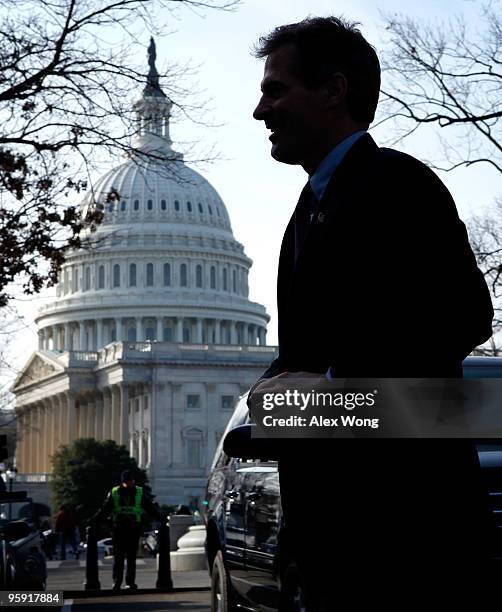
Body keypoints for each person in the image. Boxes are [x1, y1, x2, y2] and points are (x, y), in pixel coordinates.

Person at [249, 16, 494, 608]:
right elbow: (318, 348)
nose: (261, 111)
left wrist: (330, 392)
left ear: (334, 90)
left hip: (407, 533)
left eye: (276, 89)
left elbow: (463, 315)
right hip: (333, 533)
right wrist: (269, 394)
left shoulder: (399, 184)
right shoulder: (306, 210)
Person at [90, 469, 163, 591]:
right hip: (119, 528)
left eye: (131, 480)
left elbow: (149, 507)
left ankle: (130, 583)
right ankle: (117, 582)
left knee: (131, 558)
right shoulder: (114, 492)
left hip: (133, 528)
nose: (130, 483)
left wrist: (160, 517)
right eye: (128, 481)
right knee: (118, 557)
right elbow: (105, 509)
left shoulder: (139, 492)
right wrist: (94, 520)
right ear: (123, 482)